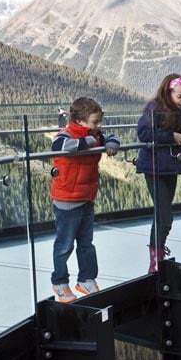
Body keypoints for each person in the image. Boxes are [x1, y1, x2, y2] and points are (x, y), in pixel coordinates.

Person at [50, 97, 120, 302]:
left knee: (86, 243)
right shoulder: (66, 134)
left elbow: (112, 137)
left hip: (87, 198)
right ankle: (60, 282)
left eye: (99, 122)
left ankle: (86, 279)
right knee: (64, 245)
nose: (99, 126)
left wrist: (111, 142)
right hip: (67, 201)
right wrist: (92, 140)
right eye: (95, 122)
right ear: (80, 121)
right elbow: (60, 146)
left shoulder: (96, 133)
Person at [136, 74, 181, 273]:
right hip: (154, 168)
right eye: (180, 97)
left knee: (163, 214)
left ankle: (157, 255)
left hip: (171, 168)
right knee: (164, 215)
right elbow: (143, 133)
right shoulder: (154, 108)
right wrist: (171, 136)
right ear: (168, 93)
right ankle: (156, 258)